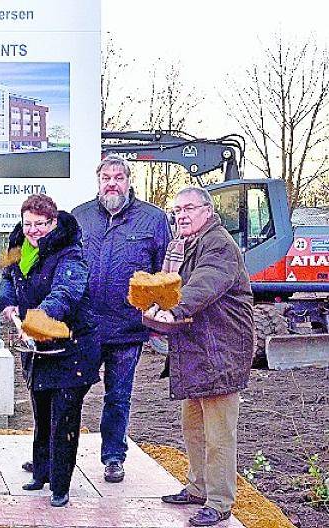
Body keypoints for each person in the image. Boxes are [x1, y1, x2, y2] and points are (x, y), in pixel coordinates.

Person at [149, 187, 253, 527]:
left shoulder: (219, 244)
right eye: (177, 209)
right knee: (193, 425)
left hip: (221, 350)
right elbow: (171, 281)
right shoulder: (185, 244)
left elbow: (205, 283)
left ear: (208, 211)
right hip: (196, 351)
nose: (181, 214)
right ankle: (197, 487)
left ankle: (220, 501)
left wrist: (174, 309)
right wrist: (152, 303)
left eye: (189, 208)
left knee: (219, 433)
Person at [70, 155, 171, 483]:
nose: (112, 183)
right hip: (85, 326)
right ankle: (54, 454)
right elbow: (64, 264)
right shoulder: (79, 217)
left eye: (118, 177)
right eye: (106, 178)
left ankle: (113, 456)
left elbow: (164, 269)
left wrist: (156, 309)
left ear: (129, 181)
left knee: (118, 395)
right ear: (98, 182)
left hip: (128, 328)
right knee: (69, 392)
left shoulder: (153, 219)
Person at [0, 194, 100, 508]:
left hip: (73, 348)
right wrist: (8, 303)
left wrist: (38, 318)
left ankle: (60, 484)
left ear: (53, 222)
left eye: (40, 224)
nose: (33, 230)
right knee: (41, 413)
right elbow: (7, 278)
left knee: (64, 417)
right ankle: (40, 472)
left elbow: (65, 293)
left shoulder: (71, 254)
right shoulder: (20, 249)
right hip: (37, 348)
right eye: (28, 224)